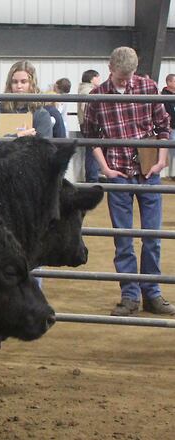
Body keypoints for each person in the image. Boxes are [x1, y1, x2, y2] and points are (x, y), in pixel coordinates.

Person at [83, 46, 175, 316]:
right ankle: (130, 295)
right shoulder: (98, 96)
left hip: (149, 171)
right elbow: (91, 135)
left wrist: (161, 159)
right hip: (119, 172)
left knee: (152, 237)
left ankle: (153, 292)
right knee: (123, 238)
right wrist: (105, 169)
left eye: (129, 76)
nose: (125, 81)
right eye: (121, 77)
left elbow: (163, 125)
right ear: (110, 68)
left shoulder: (147, 86)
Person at [0, 60, 53, 138]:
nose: (19, 86)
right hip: (3, 150)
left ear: (32, 84)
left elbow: (45, 147)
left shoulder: (41, 114)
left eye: (23, 82)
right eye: (15, 82)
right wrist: (19, 136)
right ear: (9, 84)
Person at [78, 69, 103, 182]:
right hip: (91, 125)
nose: (100, 80)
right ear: (92, 78)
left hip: (85, 123)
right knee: (93, 151)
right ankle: (93, 178)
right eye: (98, 77)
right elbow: (86, 108)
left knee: (92, 150)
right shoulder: (89, 91)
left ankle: (93, 176)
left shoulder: (83, 90)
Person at [160, 73, 175, 177]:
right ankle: (168, 174)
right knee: (170, 152)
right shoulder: (163, 96)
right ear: (168, 82)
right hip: (170, 128)